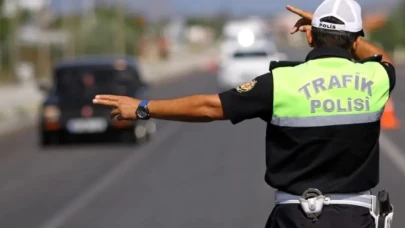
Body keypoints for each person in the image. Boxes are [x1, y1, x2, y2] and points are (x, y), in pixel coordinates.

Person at [93, 0, 395, 227]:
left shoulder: (280, 83)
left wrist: (143, 108)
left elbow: (209, 107)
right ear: (355, 40)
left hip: (294, 217)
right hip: (356, 218)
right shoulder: (376, 79)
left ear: (309, 37)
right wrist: (339, 33)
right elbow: (381, 58)